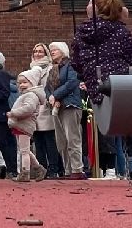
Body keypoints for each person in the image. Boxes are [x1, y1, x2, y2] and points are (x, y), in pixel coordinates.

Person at [71, 0, 132, 178]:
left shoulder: (82, 31)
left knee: (105, 125)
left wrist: (87, 73)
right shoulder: (119, 30)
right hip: (119, 84)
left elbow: (76, 62)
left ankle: (112, 166)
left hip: (95, 86)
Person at [46, 41, 85, 180]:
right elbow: (47, 88)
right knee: (61, 140)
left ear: (63, 51)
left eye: (55, 49)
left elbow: (71, 83)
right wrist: (50, 97)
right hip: (57, 107)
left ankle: (77, 169)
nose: (52, 52)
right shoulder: (52, 69)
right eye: (50, 50)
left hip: (70, 105)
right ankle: (68, 170)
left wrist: (55, 95)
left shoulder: (71, 66)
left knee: (72, 138)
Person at [25, 43, 62, 178]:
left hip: (46, 107)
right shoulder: (30, 69)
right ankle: (42, 169)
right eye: (35, 51)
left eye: (41, 51)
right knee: (38, 142)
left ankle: (54, 169)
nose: (37, 54)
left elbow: (53, 85)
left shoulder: (51, 68)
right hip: (34, 108)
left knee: (50, 141)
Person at [6, 70, 47, 182]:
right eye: (20, 83)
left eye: (25, 82)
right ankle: (38, 168)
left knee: (24, 151)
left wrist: (13, 113)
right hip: (20, 125)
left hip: (24, 125)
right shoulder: (27, 95)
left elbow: (28, 109)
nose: (22, 85)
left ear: (32, 83)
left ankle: (25, 172)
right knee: (25, 150)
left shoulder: (31, 95)